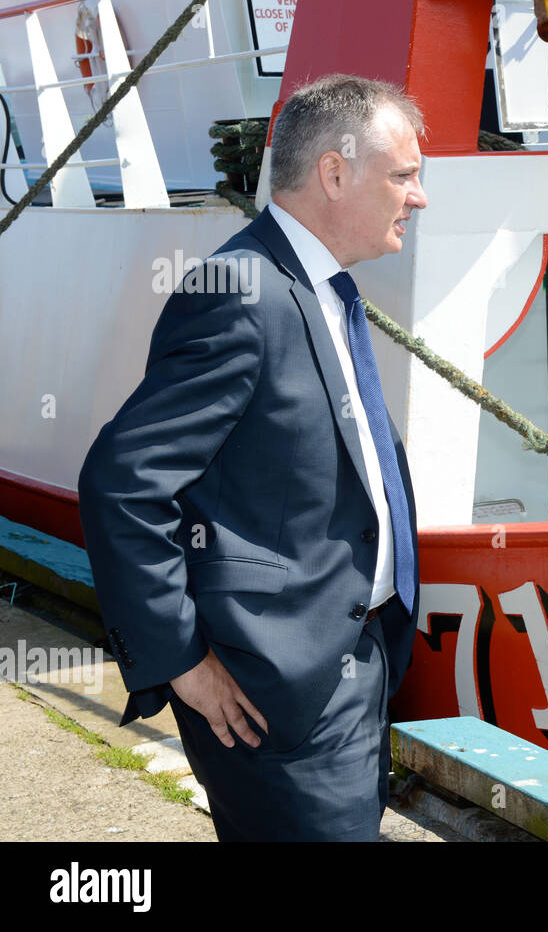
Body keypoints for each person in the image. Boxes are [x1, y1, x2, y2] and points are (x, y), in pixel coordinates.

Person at [78, 74, 428, 841]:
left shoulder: (321, 286)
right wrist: (182, 661)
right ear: (334, 174)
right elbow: (122, 483)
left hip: (350, 664)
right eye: (403, 175)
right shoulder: (242, 293)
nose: (419, 196)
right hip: (276, 691)